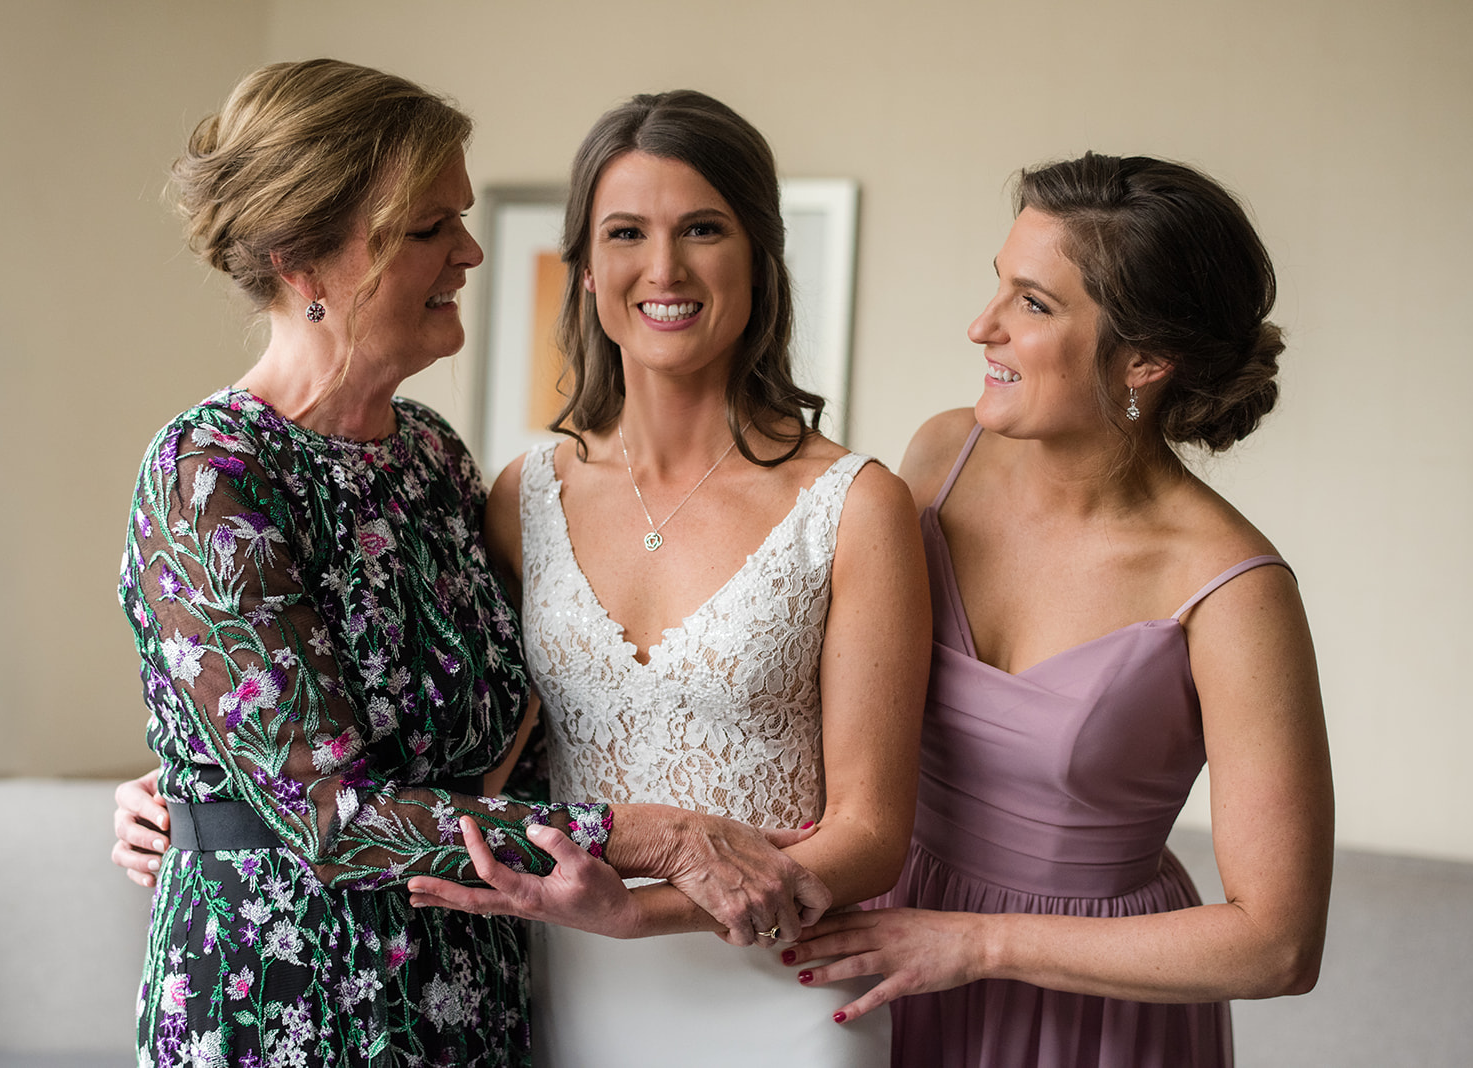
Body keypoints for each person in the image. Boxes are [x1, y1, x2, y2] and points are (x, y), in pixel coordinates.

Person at [116, 62, 831, 1068]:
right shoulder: (209, 474)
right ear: (302, 261)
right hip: (289, 1004)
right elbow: (327, 817)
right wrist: (657, 834)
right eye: (428, 228)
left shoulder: (433, 458)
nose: (472, 249)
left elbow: (513, 732)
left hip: (470, 990)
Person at [407, 89, 932, 1066]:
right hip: (564, 988)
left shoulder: (857, 505)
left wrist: (639, 914)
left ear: (760, 256)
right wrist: (197, 783)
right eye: (625, 233)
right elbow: (443, 746)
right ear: (588, 267)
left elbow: (871, 833)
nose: (665, 269)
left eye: (703, 228)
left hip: (784, 994)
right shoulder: (524, 495)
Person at [783, 153, 1335, 1066]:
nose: (981, 326)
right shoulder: (938, 458)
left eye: (1032, 305)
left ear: (1146, 360)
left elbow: (1278, 945)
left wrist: (977, 943)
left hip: (1086, 1012)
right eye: (996, 285)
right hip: (873, 951)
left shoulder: (1235, 591)